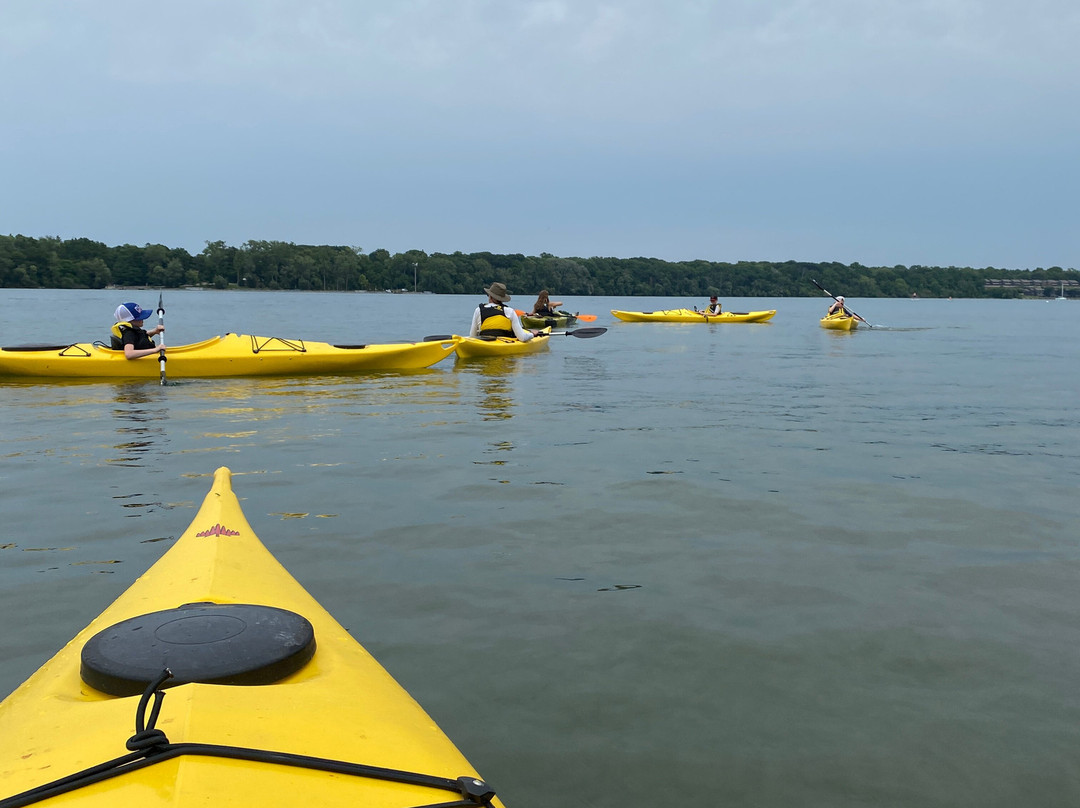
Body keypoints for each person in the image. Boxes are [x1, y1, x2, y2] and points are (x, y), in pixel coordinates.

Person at [470, 283, 539, 341]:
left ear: (490, 296)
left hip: (483, 343)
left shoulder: (478, 310)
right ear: (502, 299)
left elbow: (472, 336)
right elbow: (522, 338)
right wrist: (532, 334)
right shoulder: (510, 311)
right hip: (504, 343)